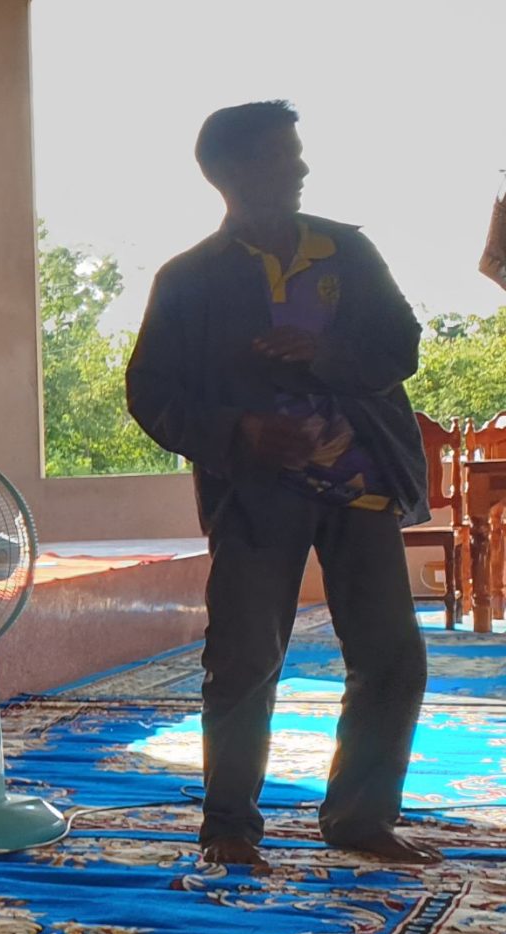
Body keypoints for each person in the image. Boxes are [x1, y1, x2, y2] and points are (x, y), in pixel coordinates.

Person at [126, 100, 438, 871]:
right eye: (279, 155)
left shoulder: (347, 251)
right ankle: (230, 829)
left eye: (296, 153)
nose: (300, 168)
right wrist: (241, 432)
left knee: (392, 658)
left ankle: (362, 819)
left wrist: (324, 353)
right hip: (256, 492)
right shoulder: (188, 279)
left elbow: (401, 347)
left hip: (363, 484)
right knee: (243, 658)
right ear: (229, 171)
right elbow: (151, 394)